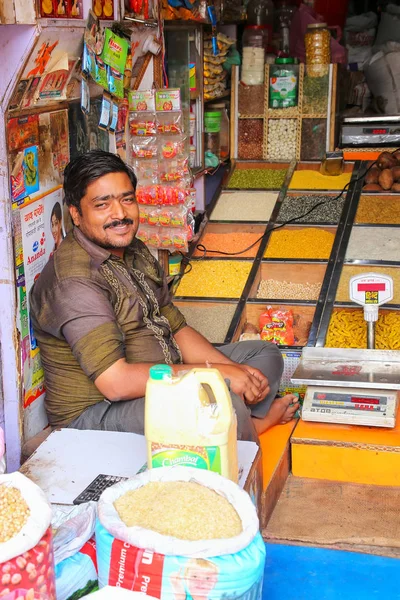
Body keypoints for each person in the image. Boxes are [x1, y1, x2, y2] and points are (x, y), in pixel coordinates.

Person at [30, 150, 298, 441]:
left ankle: (240, 425)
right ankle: (250, 429)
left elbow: (177, 328)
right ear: (76, 215)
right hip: (100, 413)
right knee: (215, 401)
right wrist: (217, 376)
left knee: (264, 355)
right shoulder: (74, 279)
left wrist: (234, 371)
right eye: (102, 204)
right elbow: (115, 383)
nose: (119, 214)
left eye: (127, 199)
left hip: (168, 370)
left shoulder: (133, 248)